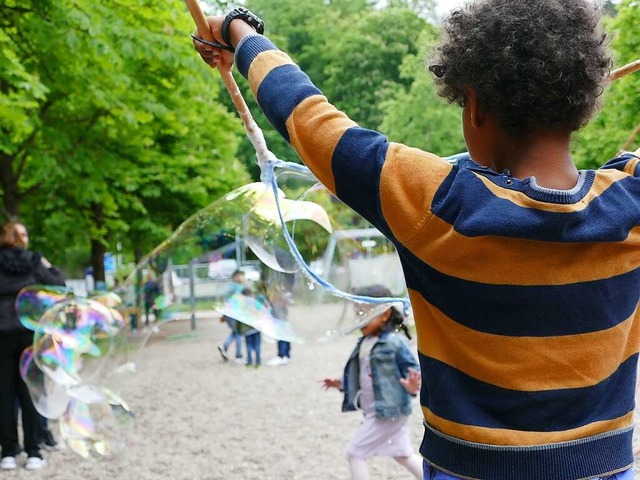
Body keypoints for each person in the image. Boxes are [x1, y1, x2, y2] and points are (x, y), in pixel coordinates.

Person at [194, 2, 640, 478]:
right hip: (607, 469)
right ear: (583, 102)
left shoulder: (439, 204)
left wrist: (241, 32)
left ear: (475, 105)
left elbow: (310, 119)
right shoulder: (631, 202)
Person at [323, 285, 422, 480]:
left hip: (387, 411)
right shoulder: (364, 343)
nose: (359, 319)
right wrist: (341, 383)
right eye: (357, 312)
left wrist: (413, 386)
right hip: (380, 411)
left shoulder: (395, 342)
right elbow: (365, 375)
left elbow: (414, 371)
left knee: (355, 453)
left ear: (384, 314)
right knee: (403, 454)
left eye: (364, 313)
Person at [0, 222, 65, 471]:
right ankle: (34, 452)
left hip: (2, 335)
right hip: (29, 333)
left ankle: (7, 452)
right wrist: (48, 265)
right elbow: (59, 284)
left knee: (4, 395)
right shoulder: (33, 261)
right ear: (17, 237)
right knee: (31, 392)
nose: (26, 237)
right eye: (24, 233)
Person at [218, 270, 246, 363]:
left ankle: (224, 346)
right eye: (242, 276)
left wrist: (224, 314)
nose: (244, 278)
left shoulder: (231, 287)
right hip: (236, 314)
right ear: (236, 277)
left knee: (235, 332)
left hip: (229, 313)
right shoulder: (239, 287)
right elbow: (240, 301)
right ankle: (239, 356)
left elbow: (226, 300)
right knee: (239, 333)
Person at [235, 287, 262, 368]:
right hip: (256, 329)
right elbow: (261, 314)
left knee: (249, 346)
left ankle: (250, 363)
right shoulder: (255, 303)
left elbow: (238, 319)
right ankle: (258, 363)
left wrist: (239, 330)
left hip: (246, 330)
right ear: (251, 294)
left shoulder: (242, 305)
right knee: (257, 346)